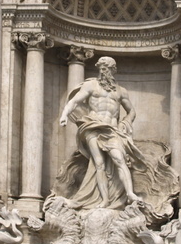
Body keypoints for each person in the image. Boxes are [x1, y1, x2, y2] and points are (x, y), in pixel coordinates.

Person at [59, 56, 142, 209]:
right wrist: (64, 114)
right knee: (99, 164)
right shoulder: (91, 86)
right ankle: (104, 200)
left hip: (112, 130)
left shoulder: (121, 91)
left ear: (114, 70)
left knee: (119, 159)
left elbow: (132, 111)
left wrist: (126, 122)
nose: (105, 71)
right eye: (103, 68)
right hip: (93, 126)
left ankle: (130, 193)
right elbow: (74, 101)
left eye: (108, 68)